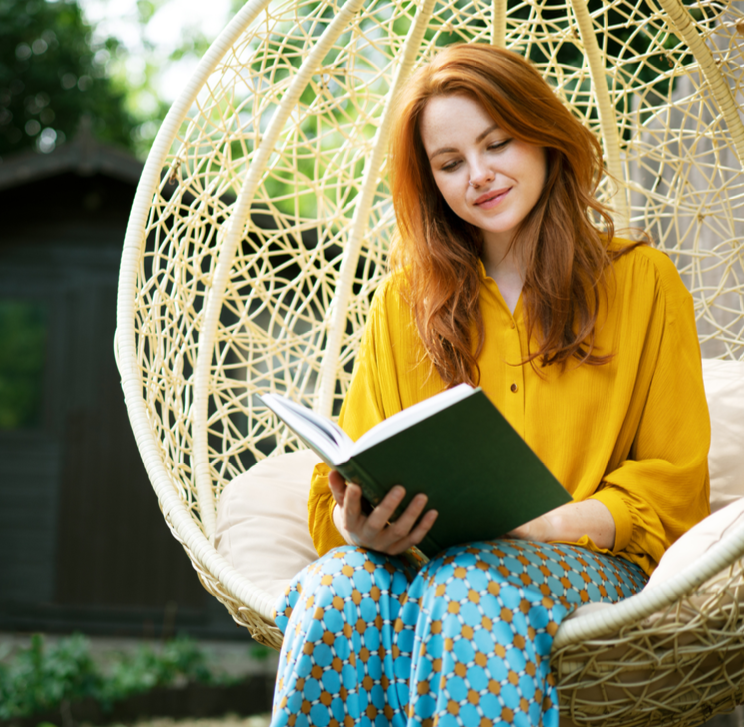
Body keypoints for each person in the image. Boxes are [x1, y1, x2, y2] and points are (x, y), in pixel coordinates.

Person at [271, 43, 710, 727]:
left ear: (541, 134)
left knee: (471, 584)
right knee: (335, 586)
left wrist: (547, 523)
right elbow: (344, 473)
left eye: (497, 143)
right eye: (450, 164)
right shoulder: (402, 303)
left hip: (584, 568)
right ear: (432, 182)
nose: (478, 175)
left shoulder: (643, 283)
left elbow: (674, 484)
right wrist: (354, 523)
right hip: (425, 561)